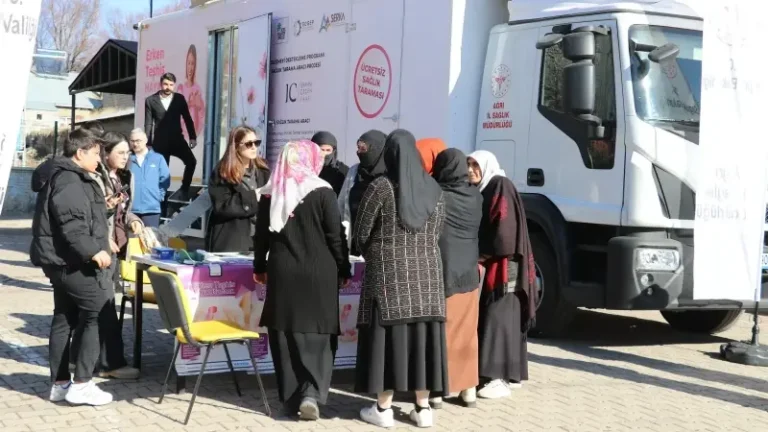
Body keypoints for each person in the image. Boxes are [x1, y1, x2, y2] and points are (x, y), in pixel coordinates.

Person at [353, 129, 448, 428]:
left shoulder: (381, 187)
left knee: (387, 343)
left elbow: (360, 233)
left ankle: (383, 410)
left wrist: (376, 253)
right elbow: (438, 232)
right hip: (428, 280)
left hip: (388, 279)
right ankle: (422, 409)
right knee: (421, 343)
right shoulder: (435, 189)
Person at [253, 140, 351, 420]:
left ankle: (289, 398)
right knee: (318, 335)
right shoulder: (323, 191)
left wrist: (259, 266)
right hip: (320, 273)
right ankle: (312, 394)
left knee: (284, 333)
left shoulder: (272, 193)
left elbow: (261, 236)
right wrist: (344, 269)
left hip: (283, 272)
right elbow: (335, 237)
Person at [30, 128, 114, 406]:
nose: (99, 160)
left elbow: (82, 216)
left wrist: (105, 224)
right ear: (80, 153)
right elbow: (72, 224)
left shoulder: (66, 176)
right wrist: (94, 251)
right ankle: (81, 384)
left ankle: (60, 384)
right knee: (96, 312)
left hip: (61, 261)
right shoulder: (69, 179)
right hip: (72, 261)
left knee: (64, 318)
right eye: (96, 154)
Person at [467, 150, 538, 400]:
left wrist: (482, 253)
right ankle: (510, 375)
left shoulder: (499, 185)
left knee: (497, 318)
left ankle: (496, 378)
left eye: (476, 165)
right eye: (469, 164)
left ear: (487, 166)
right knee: (502, 318)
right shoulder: (486, 187)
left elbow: (504, 231)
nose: (471, 170)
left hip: (504, 267)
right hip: (500, 264)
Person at [428, 147, 483, 408]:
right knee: (467, 333)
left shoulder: (437, 195)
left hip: (442, 271)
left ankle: (438, 391)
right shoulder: (476, 196)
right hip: (469, 274)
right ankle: (469, 389)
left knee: (442, 332)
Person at [90, 131, 144, 380]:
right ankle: (110, 363)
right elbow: (92, 214)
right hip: (100, 249)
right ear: (106, 153)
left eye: (127, 153)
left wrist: (134, 221)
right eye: (120, 152)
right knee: (105, 305)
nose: (126, 157)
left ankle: (88, 360)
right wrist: (103, 238)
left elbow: (126, 210)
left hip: (118, 248)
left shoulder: (126, 176)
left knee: (105, 304)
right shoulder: (95, 178)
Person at [207, 125, 270, 252]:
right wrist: (254, 196)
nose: (254, 147)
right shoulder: (223, 172)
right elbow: (222, 206)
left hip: (261, 239)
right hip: (233, 240)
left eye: (257, 143)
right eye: (248, 144)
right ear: (236, 146)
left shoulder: (264, 171)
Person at [144, 72, 197, 199]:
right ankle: (161, 200)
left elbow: (187, 118)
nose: (168, 87)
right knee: (163, 173)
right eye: (165, 84)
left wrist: (192, 136)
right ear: (161, 84)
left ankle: (184, 189)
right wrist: (148, 143)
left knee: (191, 161)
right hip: (160, 142)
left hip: (177, 139)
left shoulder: (179, 98)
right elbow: (148, 124)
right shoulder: (151, 100)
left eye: (171, 85)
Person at [337, 130, 387, 248]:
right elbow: (341, 205)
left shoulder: (389, 174)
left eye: (363, 148)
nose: (359, 152)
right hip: (354, 244)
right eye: (358, 148)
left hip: (380, 246)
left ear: (377, 148)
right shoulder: (354, 171)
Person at [128, 128, 171, 228]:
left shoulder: (158, 158)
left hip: (151, 209)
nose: (135, 144)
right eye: (132, 141)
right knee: (133, 242)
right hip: (131, 211)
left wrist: (159, 196)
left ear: (146, 140)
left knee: (150, 240)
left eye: (138, 141)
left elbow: (165, 179)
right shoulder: (127, 160)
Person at [177, 44, 205, 141]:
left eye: (193, 63)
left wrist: (199, 105)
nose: (190, 67)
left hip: (195, 136)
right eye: (188, 63)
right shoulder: (181, 88)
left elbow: (202, 117)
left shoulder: (198, 89)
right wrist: (189, 104)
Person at [311, 131, 348, 196]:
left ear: (334, 151)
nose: (325, 154)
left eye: (328, 150)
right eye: (322, 150)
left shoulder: (342, 170)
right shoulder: (306, 170)